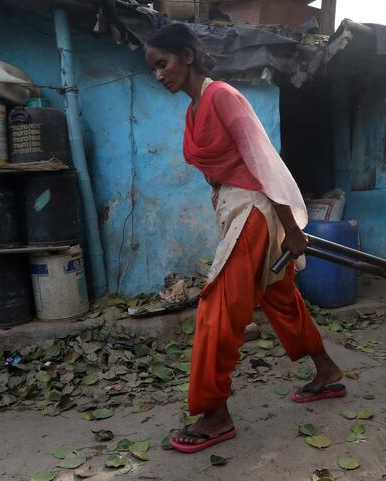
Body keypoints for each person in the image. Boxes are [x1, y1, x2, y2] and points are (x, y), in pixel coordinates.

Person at [144, 23, 344, 454]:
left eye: (163, 64)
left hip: (256, 209)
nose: (159, 75)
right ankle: (326, 371)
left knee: (217, 307)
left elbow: (265, 163)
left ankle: (213, 413)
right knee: (280, 299)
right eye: (154, 69)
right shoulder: (193, 111)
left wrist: (293, 231)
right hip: (234, 210)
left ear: (188, 56)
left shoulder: (223, 97)